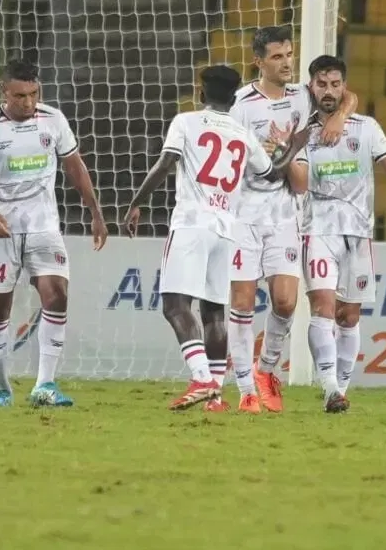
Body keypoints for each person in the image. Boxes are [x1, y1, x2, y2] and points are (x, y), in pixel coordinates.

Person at [123, 65, 307, 412]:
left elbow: (165, 163)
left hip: (193, 224)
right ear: (234, 98)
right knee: (213, 313)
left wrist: (136, 202)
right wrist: (290, 145)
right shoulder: (243, 134)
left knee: (175, 305)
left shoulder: (186, 121)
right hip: (227, 229)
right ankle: (217, 397)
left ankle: (201, 378)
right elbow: (272, 174)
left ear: (201, 93)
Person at [0, 58, 108, 407]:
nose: (28, 102)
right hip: (2, 231)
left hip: (44, 226)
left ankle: (45, 385)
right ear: (4, 92)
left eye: (33, 94)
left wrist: (96, 211)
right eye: (19, 96)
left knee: (57, 295)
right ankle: (1, 388)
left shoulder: (53, 119)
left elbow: (75, 166)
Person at [228, 26, 356, 414]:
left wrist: (338, 118)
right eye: (277, 57)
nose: (287, 63)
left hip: (284, 215)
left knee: (285, 303)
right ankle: (245, 391)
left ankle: (266, 371)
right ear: (258, 61)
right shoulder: (241, 104)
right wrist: (263, 155)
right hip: (244, 215)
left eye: (289, 55)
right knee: (242, 303)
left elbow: (347, 95)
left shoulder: (302, 94)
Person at [291, 55, 386, 414]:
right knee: (323, 307)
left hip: (358, 233)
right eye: (321, 84)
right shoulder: (303, 131)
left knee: (349, 317)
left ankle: (341, 391)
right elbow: (299, 181)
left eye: (335, 84)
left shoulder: (366, 127)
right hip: (318, 230)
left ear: (344, 87)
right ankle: (329, 388)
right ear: (311, 86)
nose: (328, 91)